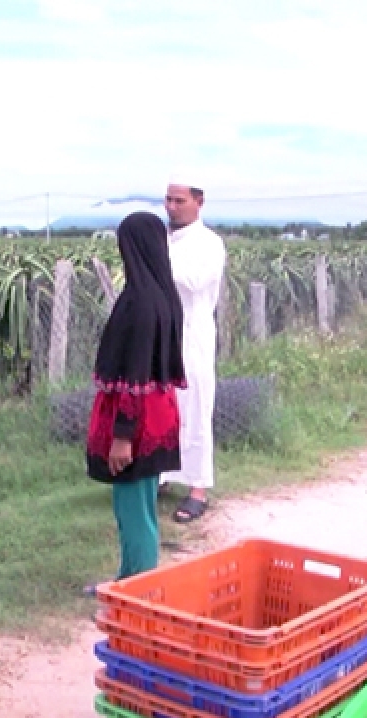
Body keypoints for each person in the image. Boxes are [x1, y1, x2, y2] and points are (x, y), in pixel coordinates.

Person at [84, 211, 186, 592]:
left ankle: (137, 587)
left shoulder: (139, 303)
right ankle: (132, 577)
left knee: (134, 509)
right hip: (158, 415)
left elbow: (134, 375)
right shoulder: (162, 295)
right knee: (139, 506)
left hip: (137, 422)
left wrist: (123, 435)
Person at [159, 173, 226, 523]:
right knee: (162, 405)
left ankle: (198, 487)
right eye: (168, 200)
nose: (171, 207)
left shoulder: (209, 243)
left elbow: (195, 281)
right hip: (162, 333)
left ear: (199, 202)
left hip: (192, 333)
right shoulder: (166, 241)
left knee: (196, 406)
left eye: (179, 200)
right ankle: (161, 474)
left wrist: (157, 262)